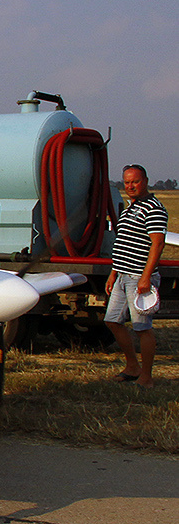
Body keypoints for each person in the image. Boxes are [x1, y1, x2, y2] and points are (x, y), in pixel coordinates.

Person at [105, 164, 167, 388]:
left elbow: (157, 244)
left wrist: (145, 277)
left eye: (135, 181)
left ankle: (147, 377)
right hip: (123, 275)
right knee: (112, 321)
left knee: (142, 327)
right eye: (127, 182)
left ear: (146, 181)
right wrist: (113, 273)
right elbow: (122, 244)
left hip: (138, 276)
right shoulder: (131, 208)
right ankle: (132, 366)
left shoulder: (153, 208)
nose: (130, 186)